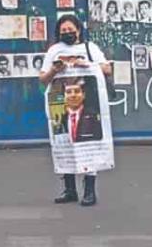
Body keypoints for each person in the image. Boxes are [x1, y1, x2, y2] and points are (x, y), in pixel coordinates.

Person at [39, 14, 112, 206]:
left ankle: (89, 191)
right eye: (63, 31)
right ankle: (69, 189)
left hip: (87, 101)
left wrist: (86, 63)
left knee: (88, 143)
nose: (67, 33)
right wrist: (55, 69)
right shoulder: (54, 50)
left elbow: (107, 69)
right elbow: (43, 79)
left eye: (70, 30)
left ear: (78, 30)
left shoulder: (90, 48)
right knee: (64, 142)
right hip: (61, 102)